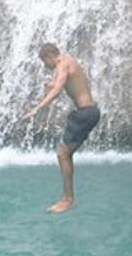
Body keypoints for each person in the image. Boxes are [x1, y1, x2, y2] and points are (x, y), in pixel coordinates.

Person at [24, 43, 102, 214]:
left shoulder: (63, 64)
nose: (46, 67)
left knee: (62, 154)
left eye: (45, 63)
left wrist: (37, 109)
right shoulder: (68, 62)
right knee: (65, 154)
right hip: (88, 112)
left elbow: (58, 89)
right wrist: (50, 87)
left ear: (49, 57)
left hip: (85, 113)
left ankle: (68, 200)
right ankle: (68, 198)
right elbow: (62, 84)